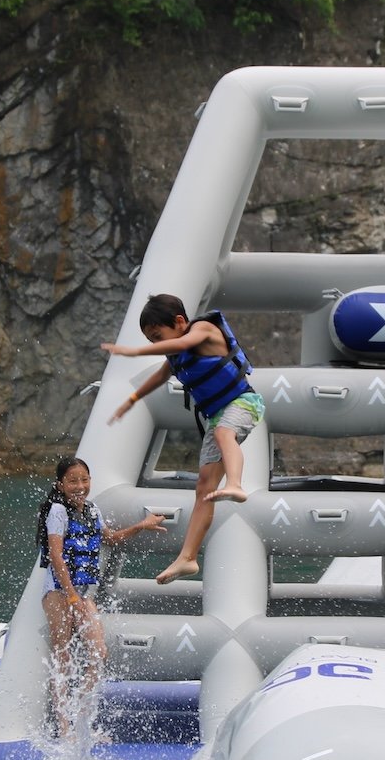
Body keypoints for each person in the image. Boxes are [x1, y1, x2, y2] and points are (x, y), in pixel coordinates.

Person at [104, 293, 263, 584]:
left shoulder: (203, 330)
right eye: (151, 341)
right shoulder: (174, 354)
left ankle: (237, 484)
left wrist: (135, 352)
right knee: (203, 489)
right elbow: (160, 376)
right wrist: (132, 399)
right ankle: (187, 558)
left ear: (179, 321)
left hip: (244, 403)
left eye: (157, 336)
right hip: (218, 415)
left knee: (225, 433)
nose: (157, 345)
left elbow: (182, 343)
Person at [37, 455, 166, 736]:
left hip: (83, 594)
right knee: (63, 656)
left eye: (84, 479)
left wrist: (141, 526)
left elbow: (109, 538)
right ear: (60, 484)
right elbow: (57, 558)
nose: (80, 485)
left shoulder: (93, 510)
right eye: (72, 481)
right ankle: (64, 727)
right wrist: (71, 597)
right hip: (59, 593)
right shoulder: (57, 511)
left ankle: (82, 721)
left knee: (98, 653)